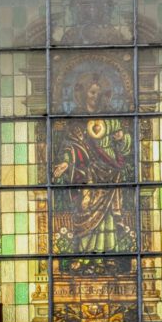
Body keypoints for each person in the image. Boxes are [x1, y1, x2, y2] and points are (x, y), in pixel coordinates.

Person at [52, 74, 135, 258]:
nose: (95, 97)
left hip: (110, 172)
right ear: (84, 94)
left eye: (99, 93)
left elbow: (126, 147)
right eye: (92, 92)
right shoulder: (77, 122)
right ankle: (84, 257)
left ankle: (110, 256)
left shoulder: (112, 119)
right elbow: (69, 146)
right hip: (86, 176)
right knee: (85, 210)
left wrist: (122, 138)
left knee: (108, 217)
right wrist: (66, 162)